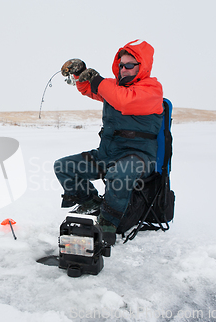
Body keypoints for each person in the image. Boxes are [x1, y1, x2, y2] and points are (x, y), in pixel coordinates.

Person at [54, 39, 164, 246]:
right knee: (63, 166)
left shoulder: (152, 89)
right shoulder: (113, 87)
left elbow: (125, 100)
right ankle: (90, 202)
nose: (123, 69)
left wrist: (98, 80)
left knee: (119, 174)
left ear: (143, 66)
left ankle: (108, 224)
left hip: (139, 157)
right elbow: (91, 89)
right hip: (108, 155)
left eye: (129, 65)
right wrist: (81, 75)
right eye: (121, 65)